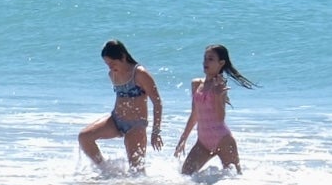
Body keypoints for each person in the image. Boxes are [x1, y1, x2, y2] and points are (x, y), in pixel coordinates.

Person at [78, 39, 163, 171]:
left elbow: (157, 103)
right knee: (84, 137)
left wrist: (156, 131)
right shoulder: (112, 74)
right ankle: (107, 170)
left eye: (112, 63)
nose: (110, 67)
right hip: (116, 121)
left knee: (137, 171)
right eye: (107, 64)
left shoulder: (140, 73)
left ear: (122, 57)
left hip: (135, 126)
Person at [174, 45, 255, 176]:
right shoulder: (196, 84)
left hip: (223, 140)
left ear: (221, 63)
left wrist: (218, 96)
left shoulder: (220, 86)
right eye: (205, 58)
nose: (206, 62)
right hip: (203, 142)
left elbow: (220, 117)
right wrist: (183, 139)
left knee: (235, 179)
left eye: (210, 59)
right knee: (185, 175)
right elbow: (194, 114)